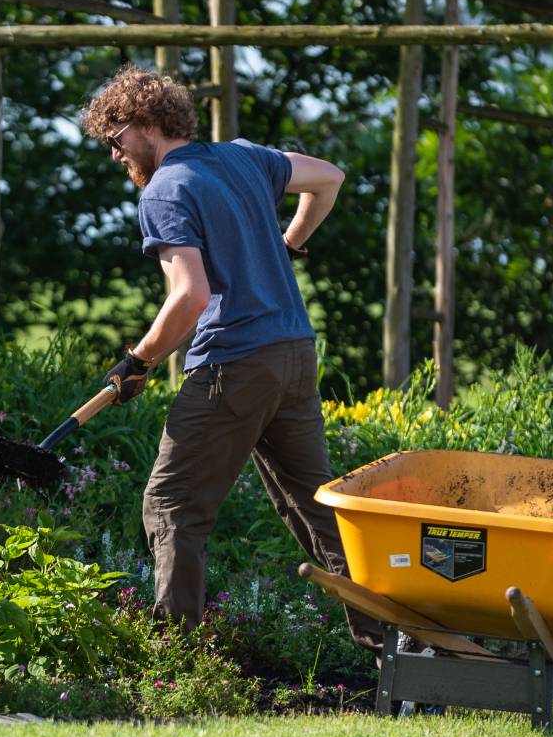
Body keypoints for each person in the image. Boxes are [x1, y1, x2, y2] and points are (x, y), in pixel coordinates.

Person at [79, 63, 382, 655]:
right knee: (321, 512)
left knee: (171, 505)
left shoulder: (164, 189)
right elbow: (329, 179)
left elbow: (189, 296)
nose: (115, 155)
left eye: (116, 141)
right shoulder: (245, 157)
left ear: (143, 124)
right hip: (294, 355)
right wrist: (291, 244)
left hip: (234, 364)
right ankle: (405, 649)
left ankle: (175, 661)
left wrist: (136, 360)